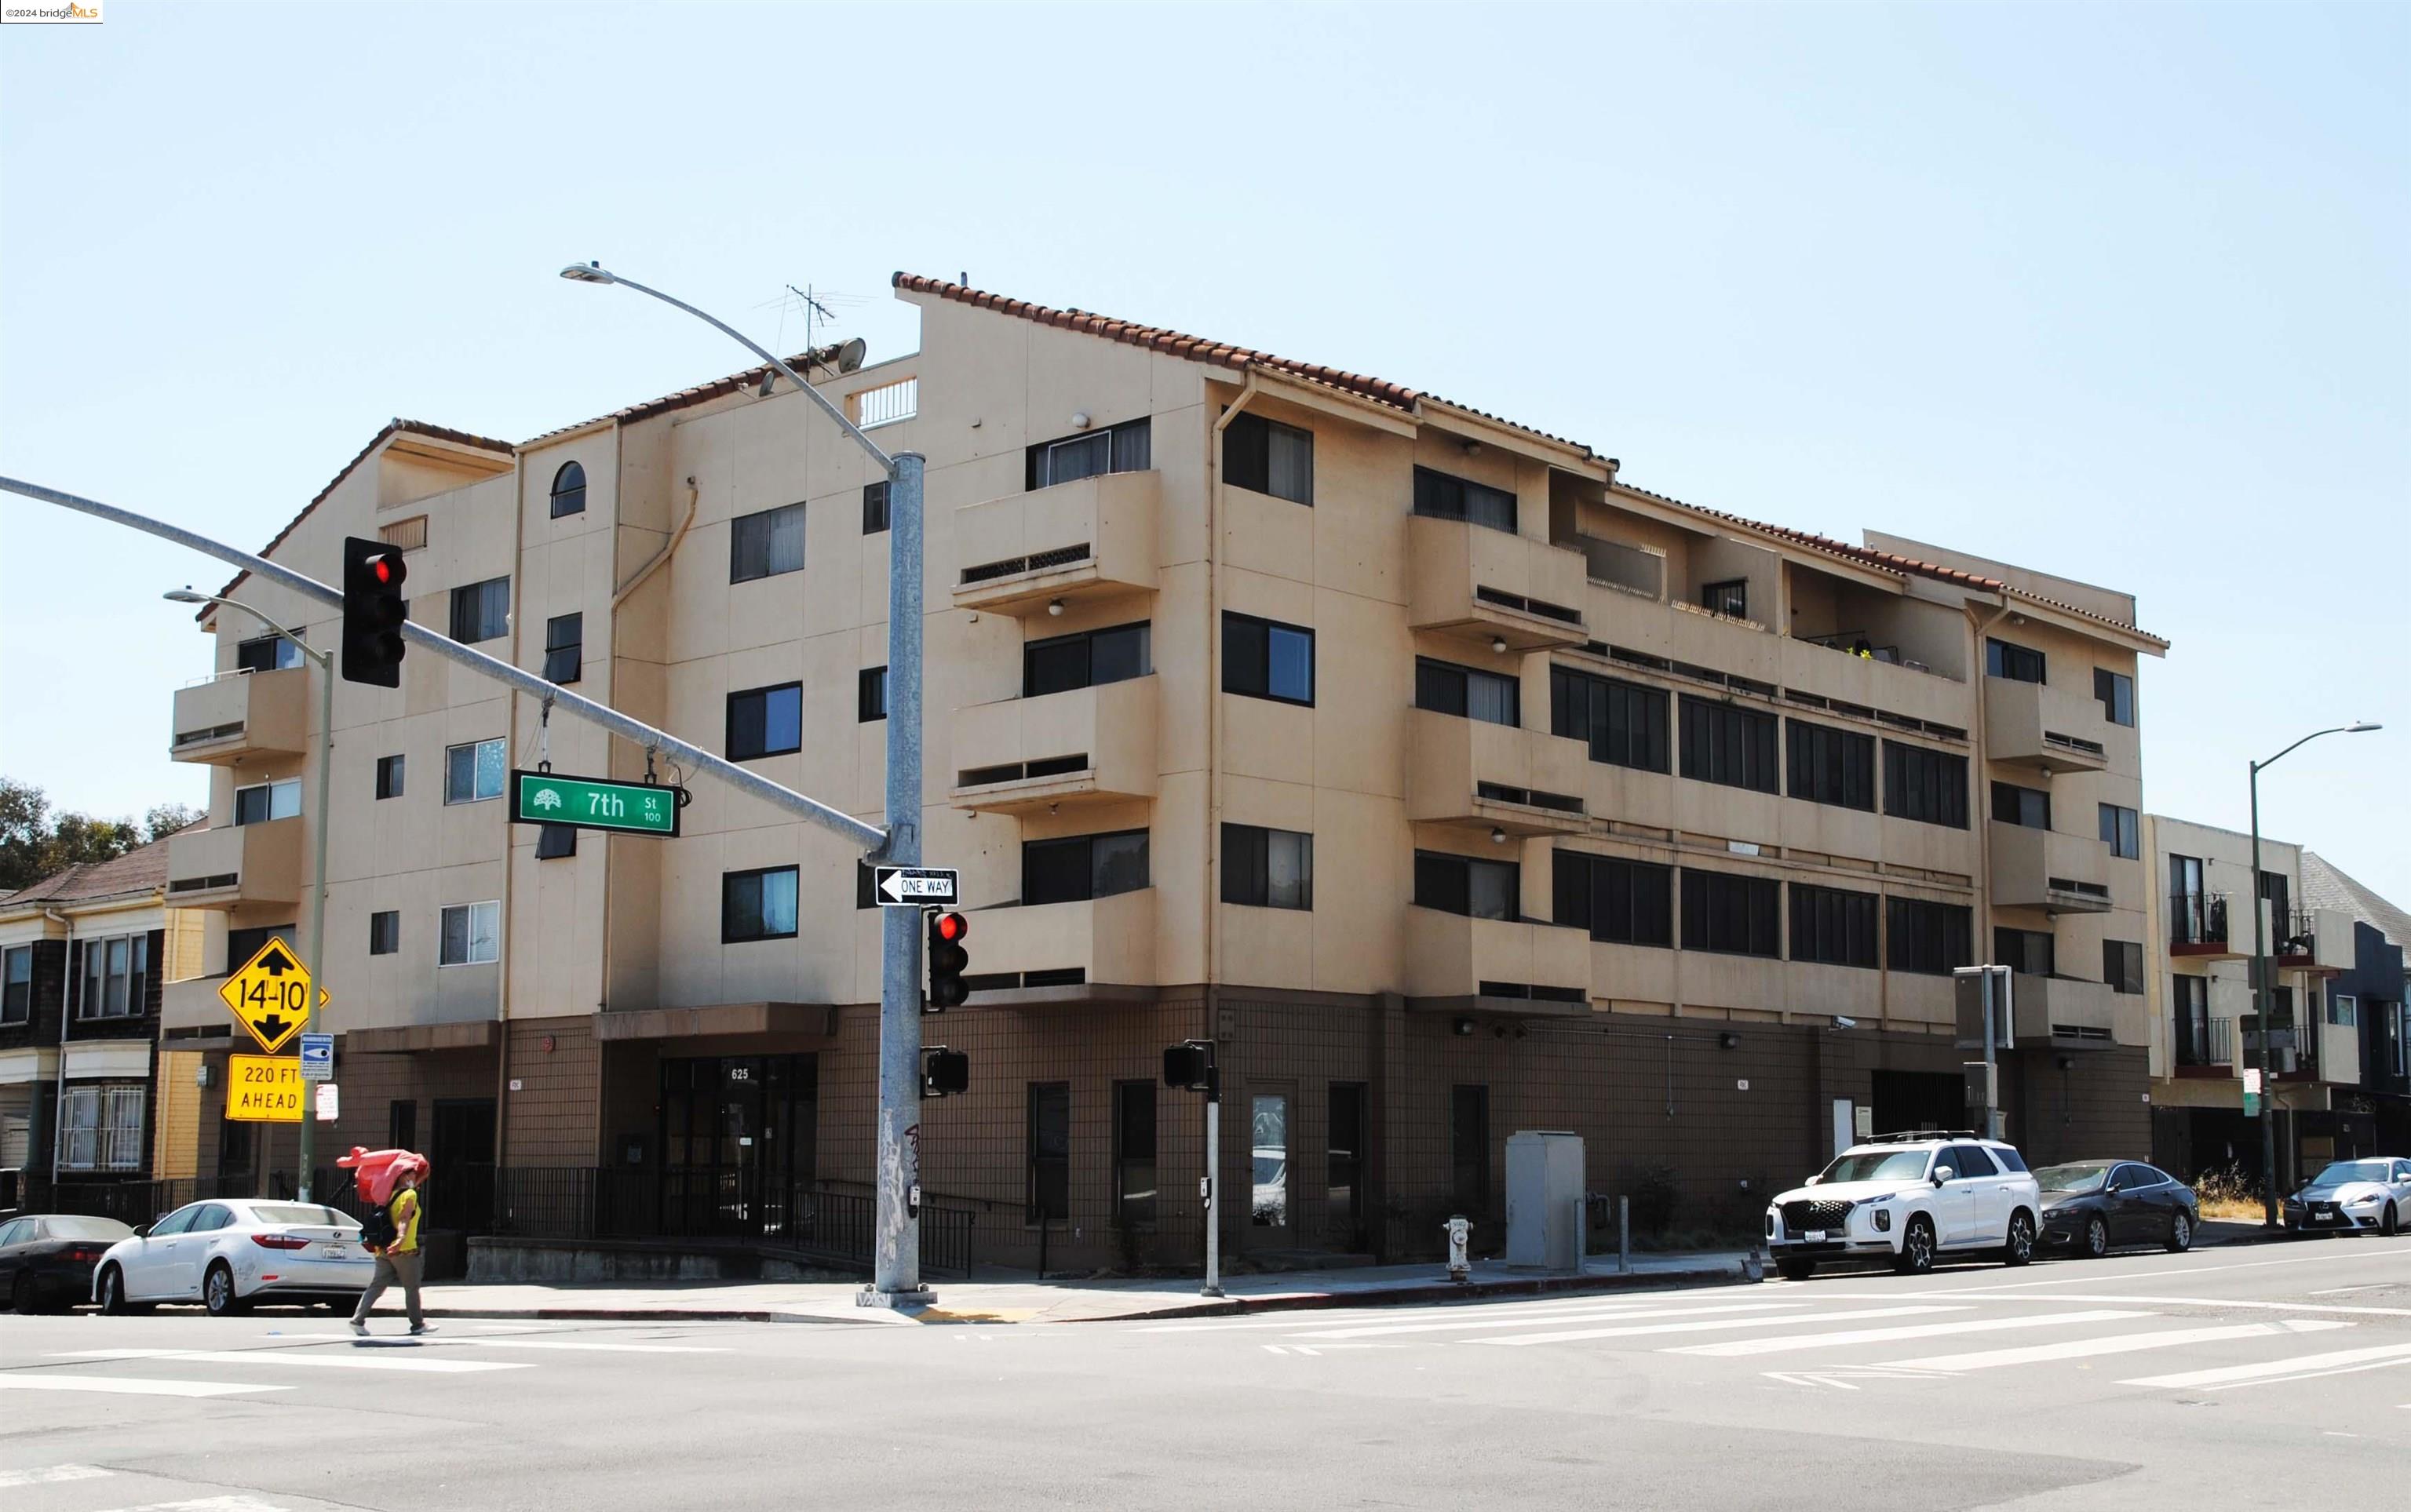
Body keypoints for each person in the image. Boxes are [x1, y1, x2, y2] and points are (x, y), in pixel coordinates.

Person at [351, 1164, 432, 1337]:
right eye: (412, 1174)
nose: (415, 1177)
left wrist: (423, 1173)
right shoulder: (410, 1195)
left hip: (383, 1249)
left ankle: (357, 1320)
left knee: (376, 1286)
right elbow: (404, 1219)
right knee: (411, 1287)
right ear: (403, 1176)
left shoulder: (388, 1196)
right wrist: (401, 1239)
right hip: (404, 1250)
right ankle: (418, 1324)